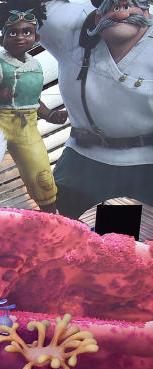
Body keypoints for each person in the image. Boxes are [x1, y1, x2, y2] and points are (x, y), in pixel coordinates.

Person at [35, 0, 152, 219]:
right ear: (96, 15)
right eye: (110, 7)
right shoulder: (73, 27)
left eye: (130, 5)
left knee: (121, 244)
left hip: (144, 168)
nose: (120, 13)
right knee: (66, 238)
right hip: (82, 165)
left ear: (147, 11)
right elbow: (28, 7)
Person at [0, 0, 68, 213]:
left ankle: (51, 223)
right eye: (13, 33)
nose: (20, 36)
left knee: (42, 177)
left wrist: (50, 115)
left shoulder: (36, 65)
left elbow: (33, 100)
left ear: (37, 37)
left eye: (27, 32)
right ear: (2, 39)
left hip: (27, 127)